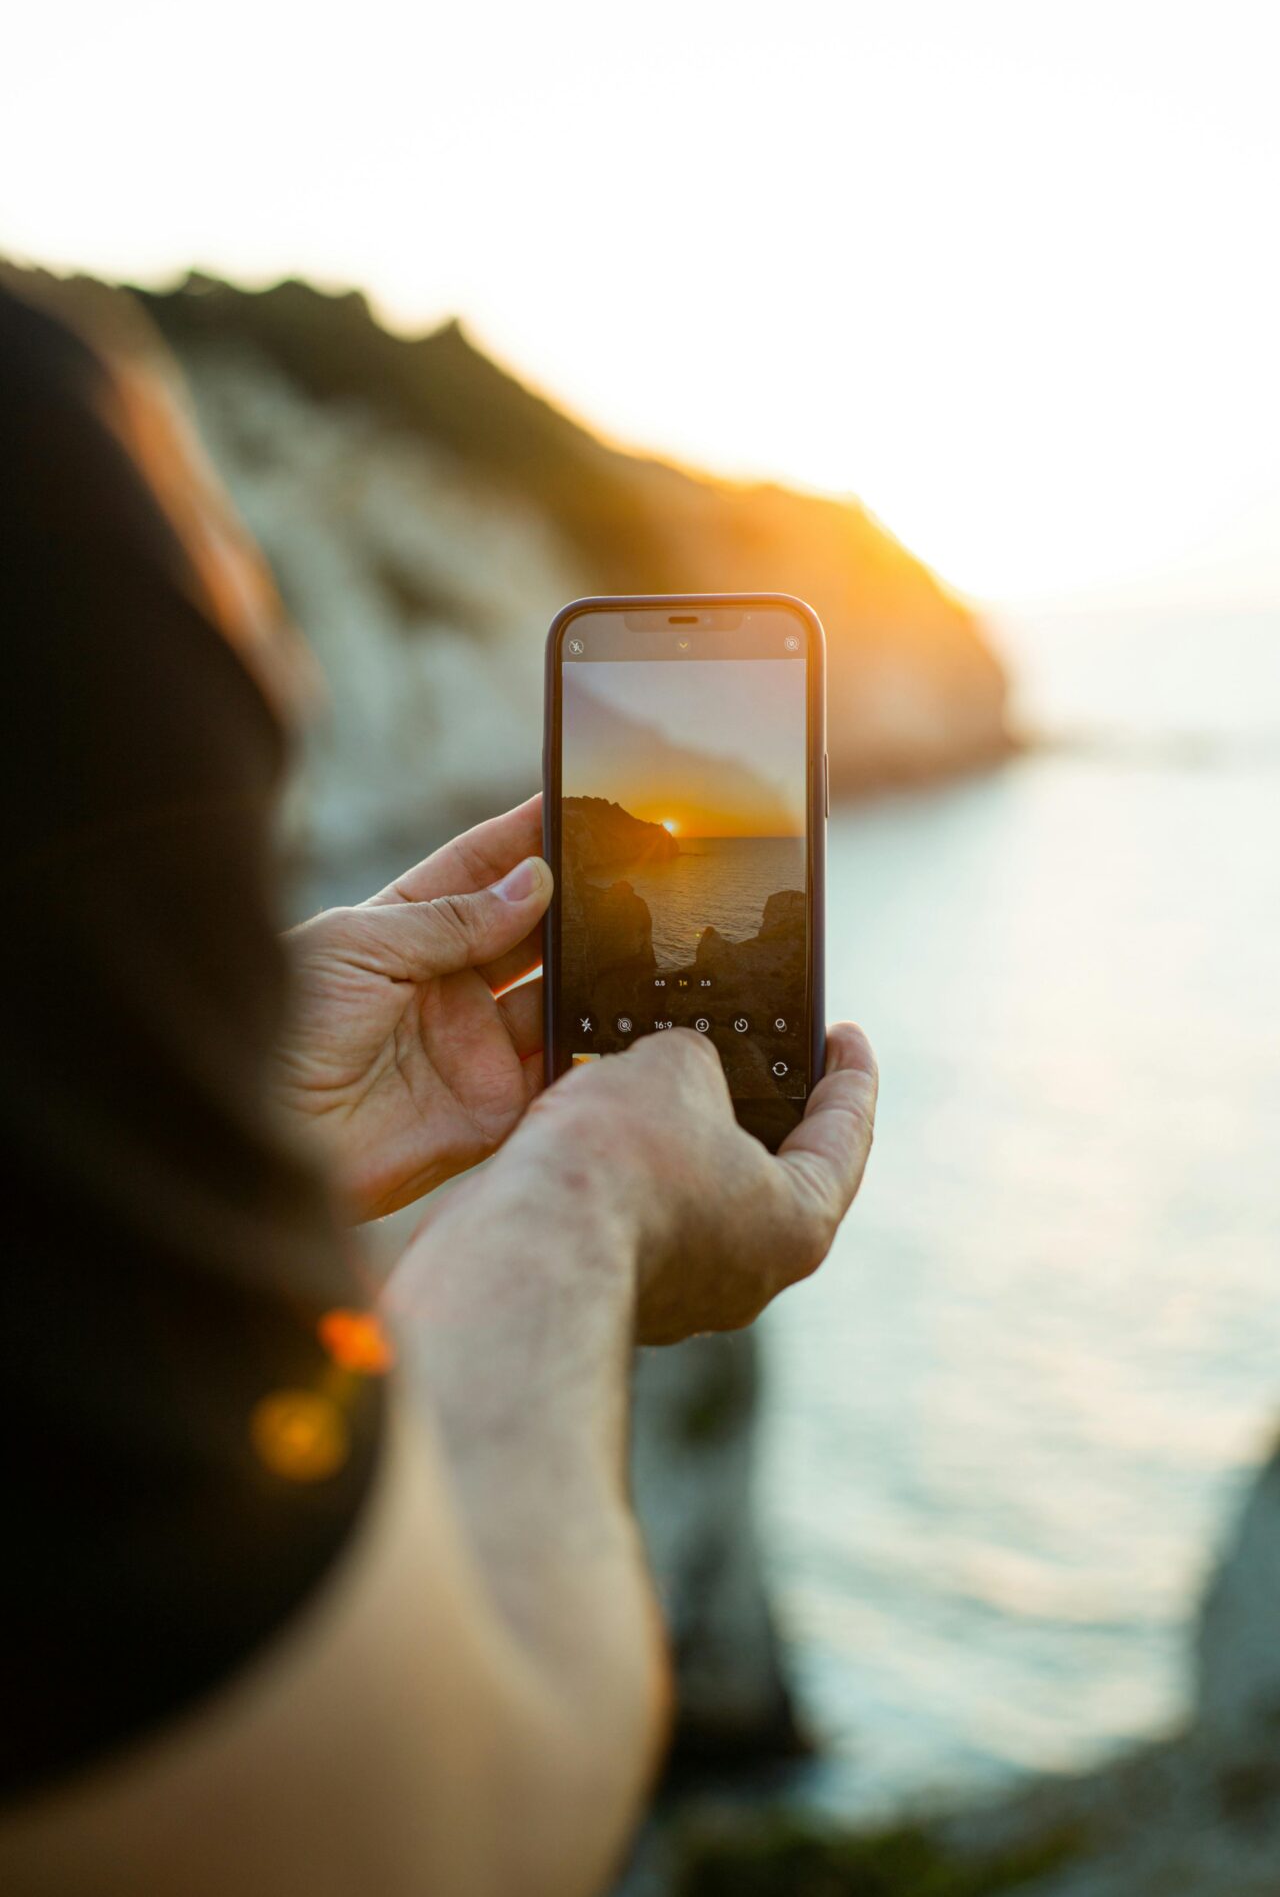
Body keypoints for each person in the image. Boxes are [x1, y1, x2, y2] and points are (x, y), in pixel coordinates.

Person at [0, 275, 878, 1897]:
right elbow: (407, 1843)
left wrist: (244, 1126)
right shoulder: (32, 489)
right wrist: (581, 1203)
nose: (304, 689)